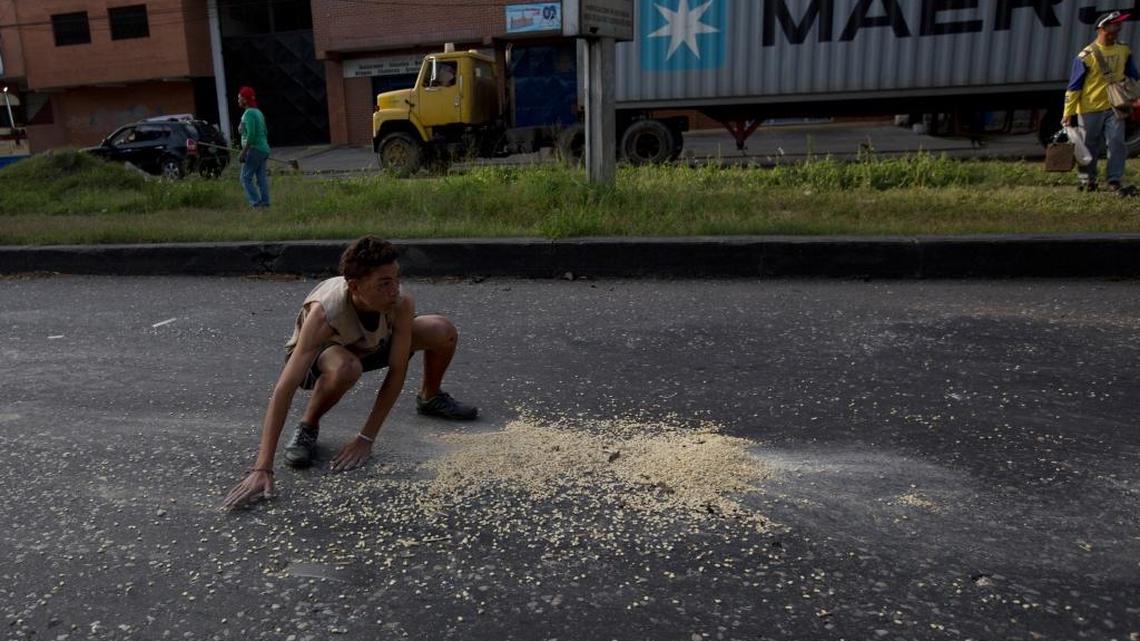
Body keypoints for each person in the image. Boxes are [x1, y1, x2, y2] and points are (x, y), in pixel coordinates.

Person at [221, 236, 478, 510]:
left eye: (396, 279)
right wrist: (263, 467)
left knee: (442, 330)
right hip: (326, 356)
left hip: (370, 346)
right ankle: (308, 426)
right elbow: (285, 388)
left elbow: (397, 370)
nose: (395, 290)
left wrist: (366, 439)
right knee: (346, 368)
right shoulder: (324, 314)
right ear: (355, 286)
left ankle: (430, 397)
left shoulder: (399, 301)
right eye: (384, 283)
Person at [1062, 10, 1139, 195]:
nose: (1119, 27)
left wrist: (1136, 96)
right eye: (1115, 24)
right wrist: (1068, 112)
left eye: (1119, 23)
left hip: (1115, 107)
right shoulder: (1085, 56)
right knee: (1088, 147)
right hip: (1089, 108)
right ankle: (1087, 181)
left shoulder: (1124, 50)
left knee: (1116, 143)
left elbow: (1133, 75)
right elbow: (1074, 87)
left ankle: (1114, 180)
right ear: (1102, 28)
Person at [237, 86, 271, 208]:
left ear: (245, 99)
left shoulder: (249, 113)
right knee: (261, 179)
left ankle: (256, 204)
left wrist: (243, 152)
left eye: (239, 97)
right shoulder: (258, 112)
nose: (238, 100)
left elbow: (251, 135)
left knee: (245, 178)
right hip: (263, 149)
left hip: (254, 149)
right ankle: (266, 204)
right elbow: (265, 131)